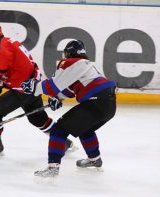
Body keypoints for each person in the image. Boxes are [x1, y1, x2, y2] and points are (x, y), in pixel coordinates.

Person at [21, 39, 116, 177]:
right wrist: (57, 98)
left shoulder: (71, 62)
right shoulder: (87, 66)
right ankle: (95, 160)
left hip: (96, 102)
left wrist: (34, 87)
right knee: (85, 130)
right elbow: (70, 91)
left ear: (68, 53)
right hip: (109, 105)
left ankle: (53, 168)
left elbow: (53, 85)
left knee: (58, 131)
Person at [0, 22, 74, 154]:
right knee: (38, 118)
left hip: (23, 89)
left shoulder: (2, 47)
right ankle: (63, 142)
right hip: (33, 86)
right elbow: (13, 70)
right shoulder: (7, 42)